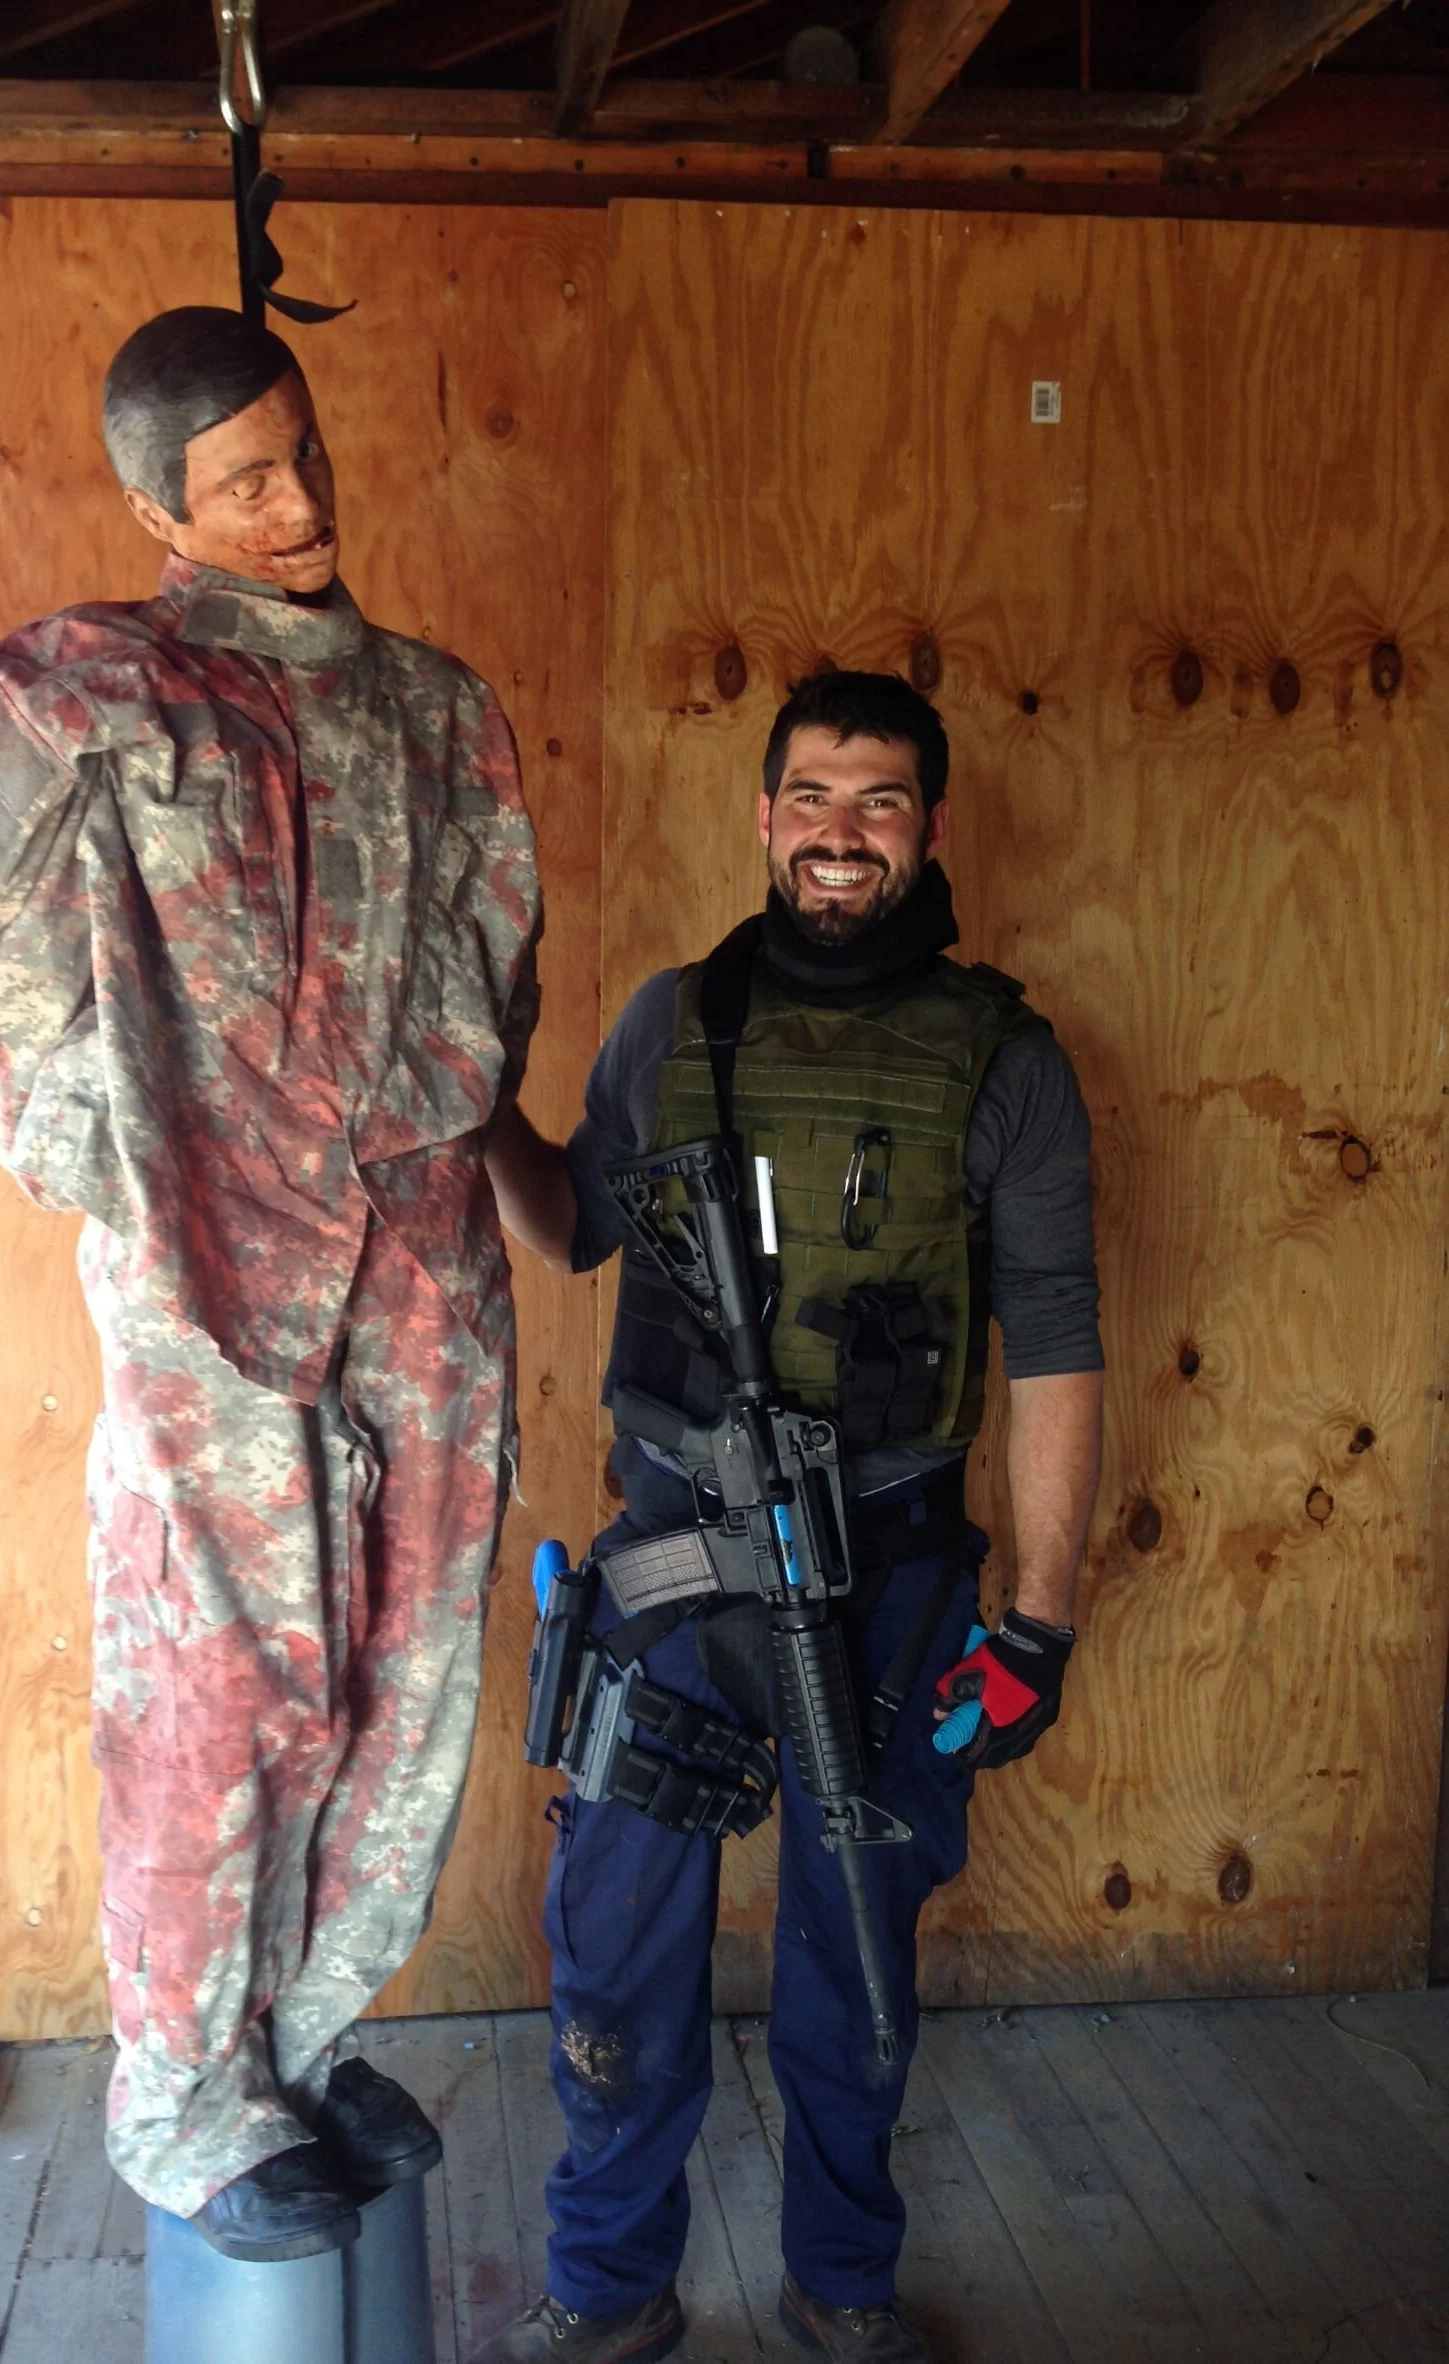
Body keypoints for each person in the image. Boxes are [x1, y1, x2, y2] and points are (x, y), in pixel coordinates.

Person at [0, 304, 541, 2261]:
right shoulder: (105, 682)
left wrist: (431, 1097)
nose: (297, 500)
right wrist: (99, 1126)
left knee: (411, 1669)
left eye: (307, 452)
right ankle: (186, 2102)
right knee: (217, 1692)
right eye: (246, 477)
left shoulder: (441, 706)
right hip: (210, 1273)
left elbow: (498, 949)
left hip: (421, 1264)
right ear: (160, 500)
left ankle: (313, 2032)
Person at [477, 671, 1102, 2364]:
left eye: (880, 801)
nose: (842, 833)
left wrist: (1036, 1623)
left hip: (890, 1581)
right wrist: (476, 1110)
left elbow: (1053, 1345)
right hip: (677, 1568)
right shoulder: (676, 1023)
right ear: (764, 819)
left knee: (856, 1979)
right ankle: (609, 2294)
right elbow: (571, 1229)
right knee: (616, 1954)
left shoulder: (1008, 1065)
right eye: (813, 798)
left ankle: (841, 2284)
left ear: (931, 829)